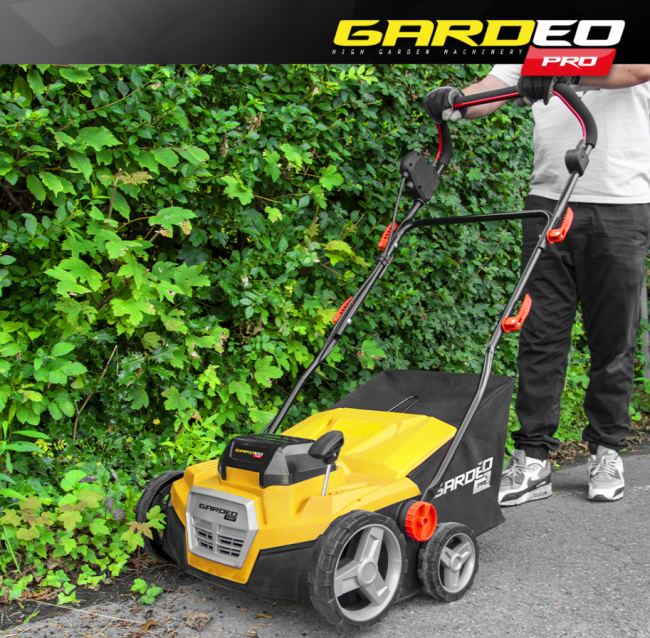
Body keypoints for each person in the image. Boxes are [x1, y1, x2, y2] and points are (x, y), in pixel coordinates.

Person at [424, 65, 650, 505]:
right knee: (539, 333)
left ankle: (606, 450)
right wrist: (456, 101)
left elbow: (637, 70)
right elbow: (493, 87)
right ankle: (533, 458)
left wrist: (561, 78)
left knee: (613, 339)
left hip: (622, 202)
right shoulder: (537, 39)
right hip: (549, 200)